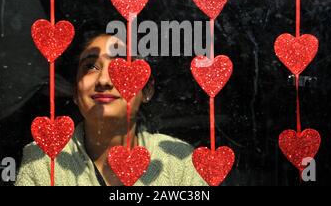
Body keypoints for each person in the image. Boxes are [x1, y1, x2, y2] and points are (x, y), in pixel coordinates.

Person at [15, 34, 207, 186]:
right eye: (90, 67)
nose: (104, 81)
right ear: (75, 91)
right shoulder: (44, 160)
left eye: (121, 66)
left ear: (147, 90)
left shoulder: (179, 160)